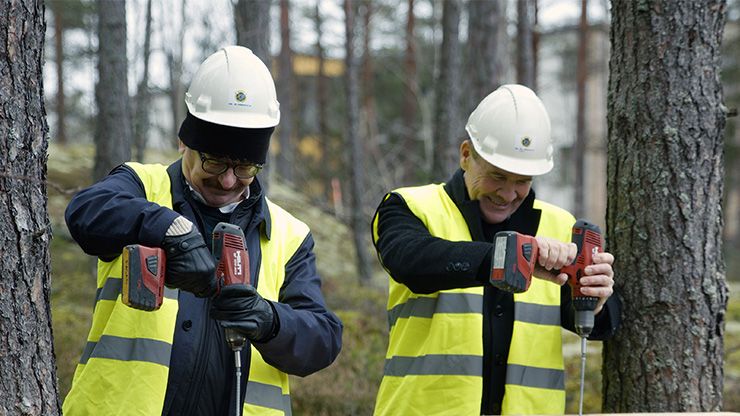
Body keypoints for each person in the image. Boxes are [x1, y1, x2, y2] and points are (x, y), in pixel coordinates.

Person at [62, 46, 342, 416]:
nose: (228, 180)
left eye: (245, 168)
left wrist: (270, 320)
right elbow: (85, 212)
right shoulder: (143, 187)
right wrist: (167, 227)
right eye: (214, 161)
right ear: (184, 143)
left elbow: (322, 338)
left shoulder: (289, 235)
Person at [371, 84, 620, 415]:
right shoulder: (410, 207)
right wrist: (504, 258)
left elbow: (597, 325)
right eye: (496, 177)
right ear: (465, 155)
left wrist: (598, 300)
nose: (507, 193)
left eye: (522, 181)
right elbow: (409, 262)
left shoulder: (560, 227)